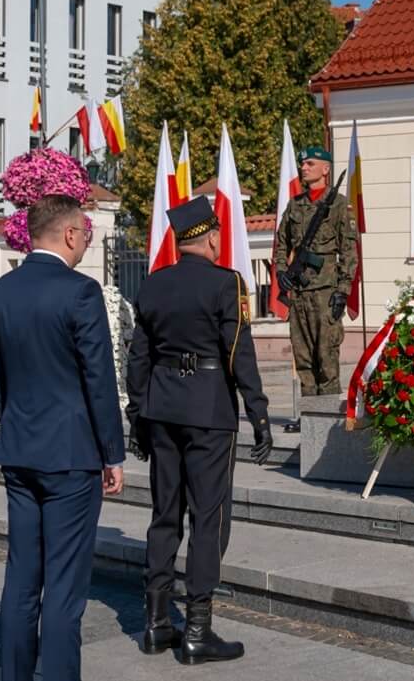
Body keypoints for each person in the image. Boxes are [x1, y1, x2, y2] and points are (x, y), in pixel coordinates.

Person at [0, 195, 126, 681]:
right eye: (85, 232)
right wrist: (113, 453)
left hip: (20, 450)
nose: (87, 240)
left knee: (21, 580)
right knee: (64, 590)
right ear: (69, 234)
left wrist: (16, 427)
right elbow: (99, 381)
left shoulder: (0, 291)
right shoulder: (80, 292)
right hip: (70, 456)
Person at [127, 196, 272, 664]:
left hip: (162, 409)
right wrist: (259, 412)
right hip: (209, 410)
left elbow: (139, 358)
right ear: (210, 238)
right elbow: (238, 353)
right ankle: (197, 630)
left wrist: (136, 414)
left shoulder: (153, 285)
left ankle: (155, 623)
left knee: (164, 513)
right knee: (208, 518)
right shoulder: (226, 283)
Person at [270, 144, 355, 397]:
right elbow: (281, 244)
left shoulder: (339, 205)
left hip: (326, 293)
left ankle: (327, 421)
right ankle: (308, 421)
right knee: (303, 357)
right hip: (299, 293)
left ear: (325, 169)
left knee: (326, 357)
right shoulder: (294, 206)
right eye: (302, 164)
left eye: (310, 164)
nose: (303, 168)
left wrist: (343, 291)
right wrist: (282, 272)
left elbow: (349, 252)